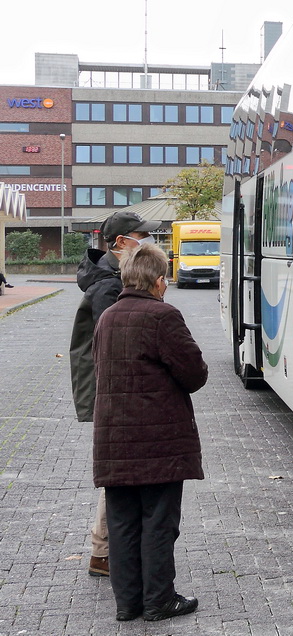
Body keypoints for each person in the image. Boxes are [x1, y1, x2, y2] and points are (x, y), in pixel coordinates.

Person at [93, 242, 207, 622]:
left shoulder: (107, 316)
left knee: (122, 522)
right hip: (158, 440)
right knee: (158, 521)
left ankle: (128, 603)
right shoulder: (163, 317)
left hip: (113, 437)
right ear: (159, 281)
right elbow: (194, 374)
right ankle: (159, 600)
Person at [68, 209, 160, 579]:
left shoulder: (109, 277)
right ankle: (104, 552)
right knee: (121, 473)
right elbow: (120, 342)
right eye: (142, 236)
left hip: (110, 389)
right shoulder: (109, 285)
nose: (147, 242)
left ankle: (106, 550)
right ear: (122, 242)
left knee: (121, 470)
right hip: (113, 391)